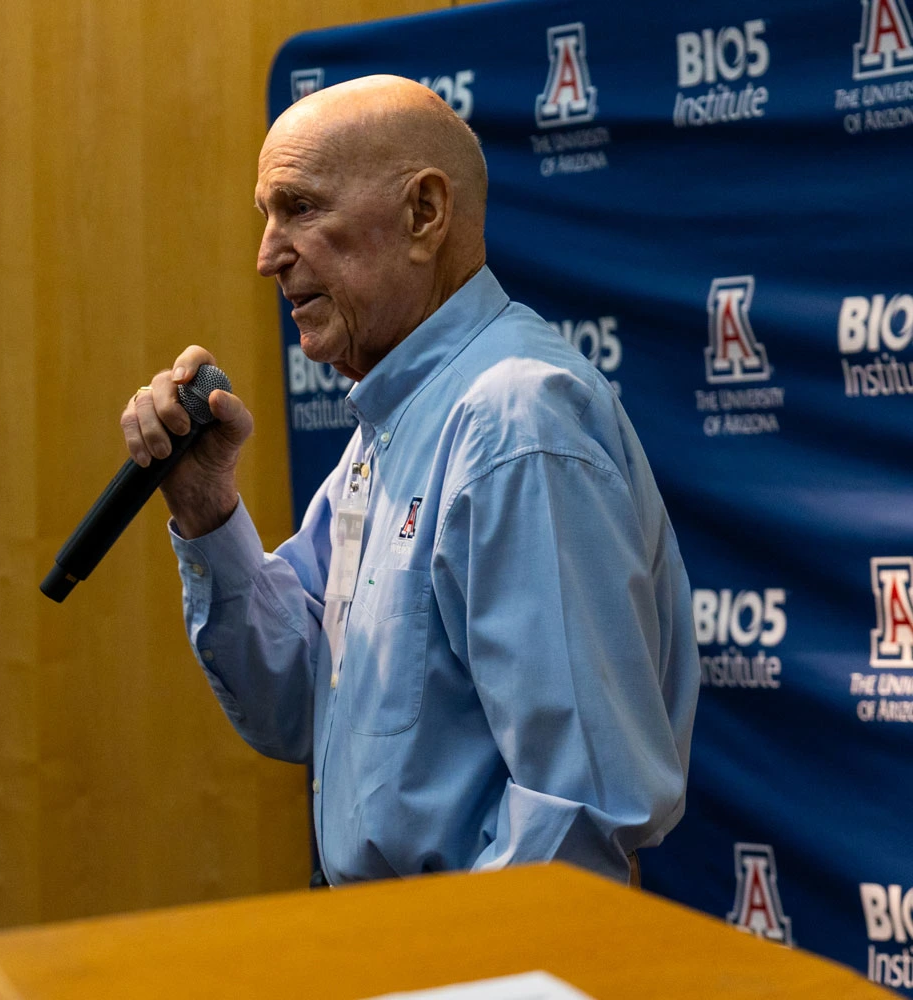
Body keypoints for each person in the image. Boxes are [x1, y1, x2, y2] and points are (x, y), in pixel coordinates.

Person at [120, 75, 698, 887]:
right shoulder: (394, 422)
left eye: (302, 208)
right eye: (266, 217)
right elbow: (296, 704)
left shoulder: (514, 424)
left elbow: (577, 811)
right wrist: (206, 506)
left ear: (424, 214)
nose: (267, 256)